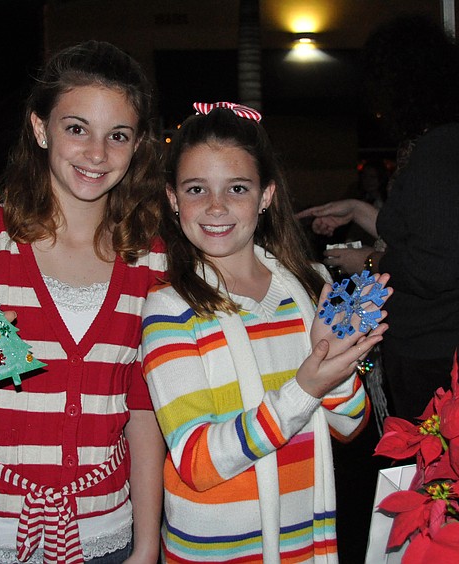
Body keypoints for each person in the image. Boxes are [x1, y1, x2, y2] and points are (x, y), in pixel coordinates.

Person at [0, 41, 165, 564]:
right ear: (40, 129)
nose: (96, 153)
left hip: (107, 532)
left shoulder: (150, 259)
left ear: (137, 147)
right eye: (76, 128)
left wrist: (147, 544)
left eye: (118, 136)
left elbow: (142, 410)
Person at [141, 103, 391, 562]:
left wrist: (332, 357)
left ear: (266, 195)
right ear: (173, 199)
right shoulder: (169, 308)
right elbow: (197, 462)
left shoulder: (312, 286)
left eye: (237, 188)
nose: (216, 206)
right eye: (197, 188)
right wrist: (306, 386)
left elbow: (350, 422)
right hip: (216, 551)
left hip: (307, 543)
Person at [297, 14, 459, 420]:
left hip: (451, 361)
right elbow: (436, 235)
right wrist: (358, 210)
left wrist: (368, 261)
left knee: (442, 479)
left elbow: (431, 267)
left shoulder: (440, 152)